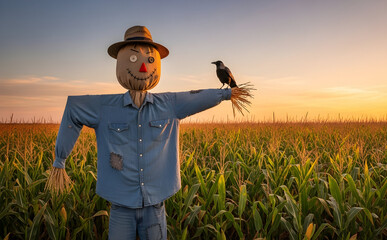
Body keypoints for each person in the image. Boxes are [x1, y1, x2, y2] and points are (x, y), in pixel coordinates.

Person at [46, 25, 251, 239]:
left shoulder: (170, 104)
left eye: (149, 60)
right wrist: (60, 159)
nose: (143, 67)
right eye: (133, 60)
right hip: (120, 204)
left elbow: (196, 96)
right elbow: (74, 108)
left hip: (155, 204)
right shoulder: (105, 107)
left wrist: (229, 94)